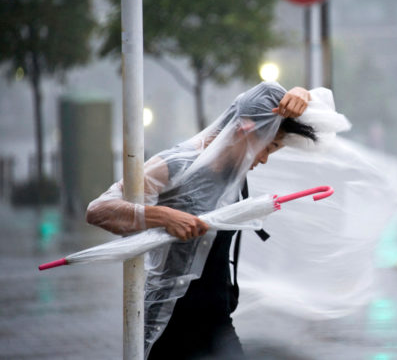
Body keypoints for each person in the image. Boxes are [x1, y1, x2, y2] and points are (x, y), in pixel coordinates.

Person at [85, 82, 317, 359]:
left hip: (218, 323)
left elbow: (313, 113)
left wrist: (302, 92)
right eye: (268, 145)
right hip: (170, 324)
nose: (266, 159)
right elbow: (98, 210)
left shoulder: (237, 173)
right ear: (245, 128)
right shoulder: (179, 164)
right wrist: (164, 216)